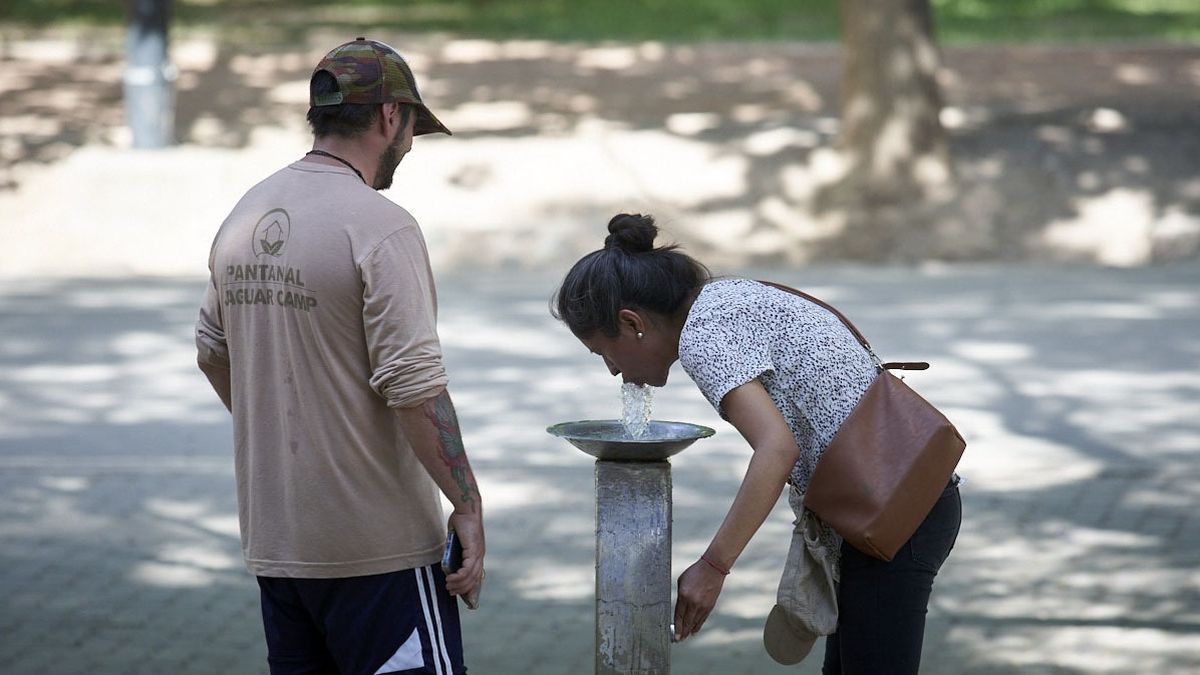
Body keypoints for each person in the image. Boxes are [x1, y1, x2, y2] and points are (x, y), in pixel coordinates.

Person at [551, 213, 961, 674]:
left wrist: (713, 566)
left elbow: (776, 449)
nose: (611, 369)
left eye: (603, 353)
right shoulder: (725, 299)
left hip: (900, 511)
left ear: (631, 323)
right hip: (896, 500)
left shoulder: (702, 336)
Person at [195, 37, 484, 675]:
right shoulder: (382, 226)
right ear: (389, 117)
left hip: (278, 545)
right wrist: (466, 504)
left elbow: (213, 352)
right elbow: (413, 387)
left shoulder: (247, 213)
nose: (408, 145)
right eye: (411, 127)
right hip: (378, 553)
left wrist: (291, 429)